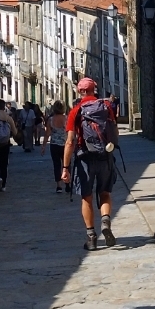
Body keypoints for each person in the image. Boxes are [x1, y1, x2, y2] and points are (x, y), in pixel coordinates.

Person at [62, 77, 119, 250]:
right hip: (105, 156)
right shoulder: (106, 106)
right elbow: (115, 131)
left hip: (85, 159)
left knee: (86, 198)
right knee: (105, 193)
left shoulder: (76, 111)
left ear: (79, 91)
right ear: (94, 90)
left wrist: (65, 167)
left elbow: (70, 141)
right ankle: (105, 221)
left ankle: (92, 237)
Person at [42, 100, 69, 192]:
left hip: (54, 145)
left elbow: (47, 134)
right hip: (66, 145)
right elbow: (70, 133)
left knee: (56, 165)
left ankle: (59, 186)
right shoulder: (67, 119)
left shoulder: (51, 120)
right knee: (67, 164)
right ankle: (67, 183)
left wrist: (43, 146)